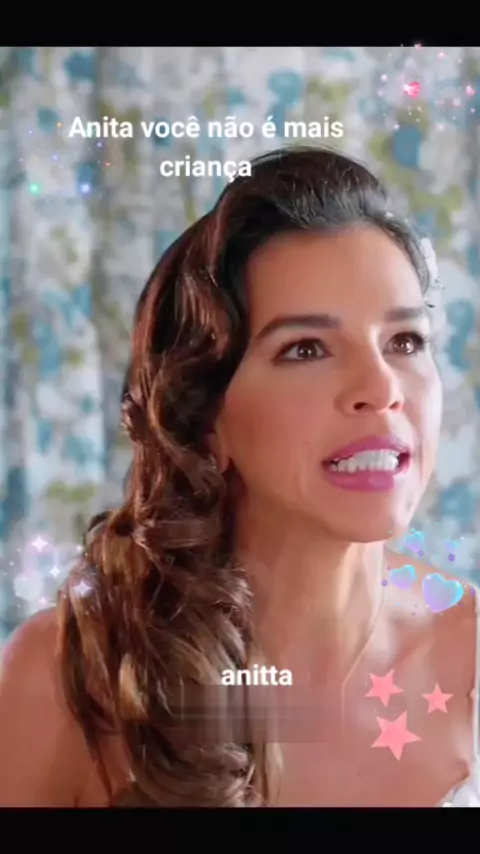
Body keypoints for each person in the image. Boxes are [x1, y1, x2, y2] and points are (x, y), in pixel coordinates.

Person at [0, 146, 479, 808]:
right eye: (305, 349)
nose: (382, 388)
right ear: (204, 417)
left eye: (405, 341)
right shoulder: (68, 683)